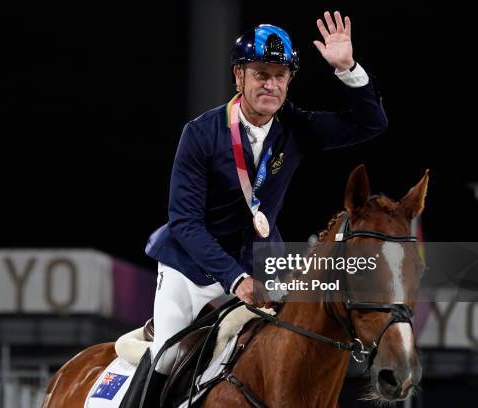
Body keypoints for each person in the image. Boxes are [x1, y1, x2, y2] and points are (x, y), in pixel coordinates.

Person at [121, 11, 388, 407]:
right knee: (167, 358)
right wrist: (234, 279)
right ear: (238, 77)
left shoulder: (295, 127)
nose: (271, 83)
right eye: (261, 73)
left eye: (280, 75)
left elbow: (372, 124)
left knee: (291, 341)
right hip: (191, 265)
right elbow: (185, 222)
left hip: (261, 261)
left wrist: (347, 69)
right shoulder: (200, 134)